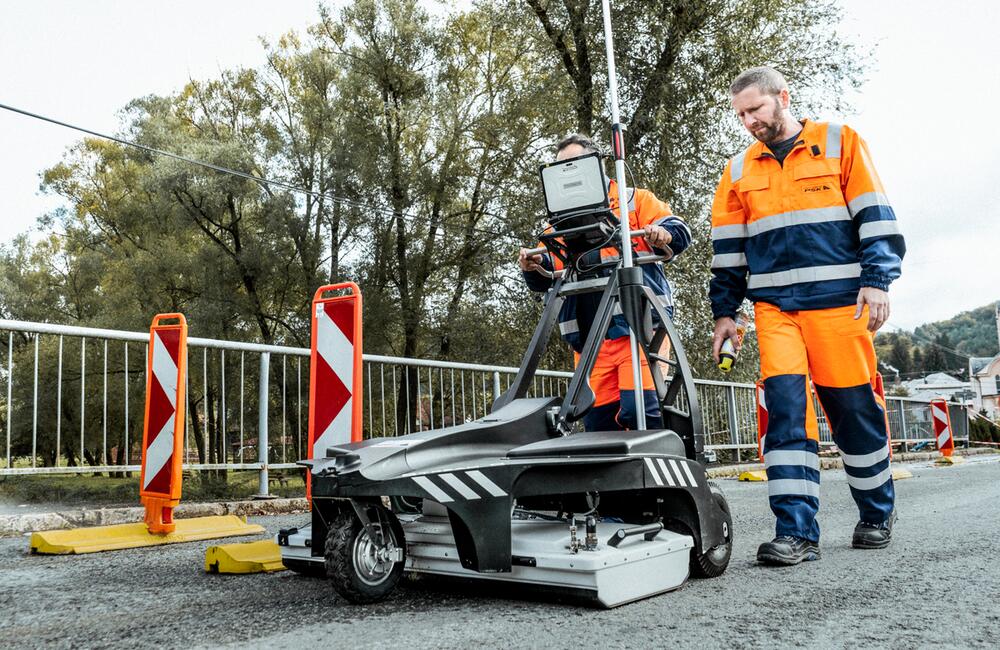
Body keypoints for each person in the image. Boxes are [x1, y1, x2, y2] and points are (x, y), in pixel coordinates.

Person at [709, 67, 905, 565]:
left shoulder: (840, 143)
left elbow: (875, 217)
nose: (749, 121)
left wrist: (877, 281)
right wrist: (724, 315)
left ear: (782, 98)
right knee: (786, 418)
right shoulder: (736, 172)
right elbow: (728, 253)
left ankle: (877, 514)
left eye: (755, 109)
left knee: (854, 413)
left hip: (841, 304)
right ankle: (796, 532)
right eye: (741, 115)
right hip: (776, 312)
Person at [519, 133, 691, 431]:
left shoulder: (633, 201)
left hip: (638, 330)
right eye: (561, 166)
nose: (567, 171)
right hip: (591, 340)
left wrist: (662, 233)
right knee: (597, 422)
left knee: (642, 413)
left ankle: (655, 472)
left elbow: (677, 229)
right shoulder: (558, 223)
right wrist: (532, 265)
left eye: (574, 163)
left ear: (596, 165)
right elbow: (547, 272)